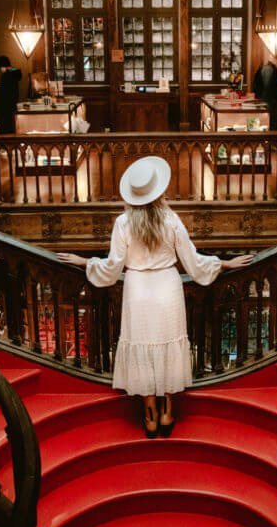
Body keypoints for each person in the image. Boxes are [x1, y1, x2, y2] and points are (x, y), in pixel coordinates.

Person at [57, 156, 252, 437]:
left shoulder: (122, 223)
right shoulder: (171, 220)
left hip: (137, 290)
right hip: (167, 289)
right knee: (167, 348)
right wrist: (224, 263)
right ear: (159, 191)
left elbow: (112, 268)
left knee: (142, 347)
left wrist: (83, 261)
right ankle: (167, 412)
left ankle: (148, 415)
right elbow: (192, 261)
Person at [0, 55, 22, 134]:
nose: (0, 70)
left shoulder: (6, 75)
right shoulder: (14, 72)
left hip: (6, 105)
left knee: (5, 127)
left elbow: (4, 91)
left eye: (0, 68)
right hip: (13, 103)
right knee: (12, 126)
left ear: (3, 66)